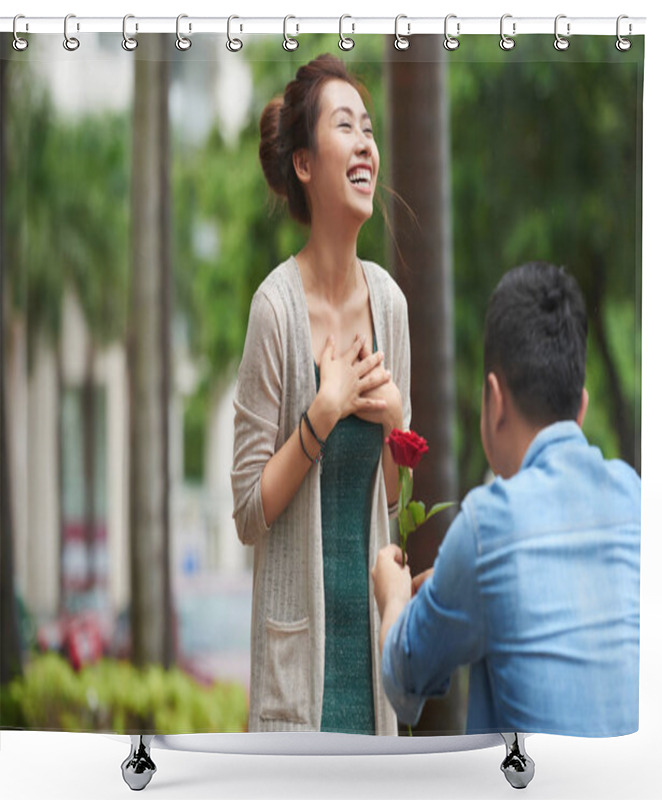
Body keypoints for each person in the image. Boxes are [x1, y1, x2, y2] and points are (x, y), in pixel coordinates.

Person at [373, 261, 640, 735]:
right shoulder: (634, 498)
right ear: (580, 406)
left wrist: (394, 598)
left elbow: (402, 680)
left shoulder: (488, 524)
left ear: (494, 399)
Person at [231, 54, 411, 735]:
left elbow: (396, 505)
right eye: (346, 127)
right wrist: (322, 412)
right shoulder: (273, 311)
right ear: (305, 165)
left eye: (370, 129)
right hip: (295, 682)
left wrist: (395, 421)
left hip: (376, 676)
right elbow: (249, 511)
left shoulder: (389, 307)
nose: (368, 144)